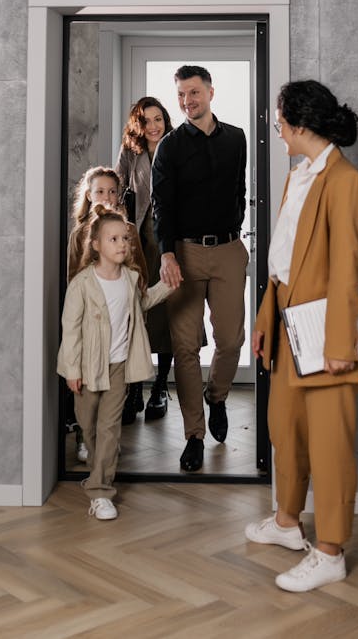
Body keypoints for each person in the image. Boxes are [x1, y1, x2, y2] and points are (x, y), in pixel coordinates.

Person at [245, 80, 358, 593]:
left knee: (330, 445)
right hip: (285, 324)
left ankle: (331, 551)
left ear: (299, 125)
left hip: (325, 333)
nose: (276, 129)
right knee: (286, 429)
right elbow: (281, 258)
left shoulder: (348, 183)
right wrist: (262, 318)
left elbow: (348, 268)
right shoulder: (298, 176)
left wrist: (341, 345)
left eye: (280, 121)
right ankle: (286, 523)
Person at [152, 64, 248, 473]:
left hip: (228, 249)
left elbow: (241, 189)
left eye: (193, 92)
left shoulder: (238, 139)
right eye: (180, 95)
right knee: (186, 346)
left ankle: (218, 395)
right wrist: (167, 255)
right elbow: (162, 207)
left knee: (231, 339)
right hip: (185, 255)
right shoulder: (169, 147)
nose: (187, 101)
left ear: (210, 92)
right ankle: (194, 434)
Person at [57, 206, 172, 520]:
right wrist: (73, 370)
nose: (122, 244)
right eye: (113, 239)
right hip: (87, 369)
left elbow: (143, 302)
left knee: (109, 429)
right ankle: (101, 465)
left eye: (125, 239)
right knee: (89, 426)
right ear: (96, 244)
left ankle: (100, 491)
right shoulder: (82, 284)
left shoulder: (131, 279)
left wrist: (167, 286)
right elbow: (71, 329)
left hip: (119, 366)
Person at [67, 166, 148, 457]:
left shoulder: (130, 233)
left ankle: (106, 447)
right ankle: (83, 438)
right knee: (89, 393)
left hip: (121, 324)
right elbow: (73, 279)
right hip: (92, 327)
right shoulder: (80, 235)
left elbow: (142, 278)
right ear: (89, 196)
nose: (107, 196)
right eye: (100, 191)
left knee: (114, 395)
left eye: (113, 191)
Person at [115, 96, 175, 422]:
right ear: (138, 124)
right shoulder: (130, 152)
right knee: (136, 313)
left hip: (167, 241)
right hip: (138, 241)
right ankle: (135, 389)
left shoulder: (177, 146)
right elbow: (118, 186)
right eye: (147, 120)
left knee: (165, 313)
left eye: (158, 119)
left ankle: (161, 387)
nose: (153, 126)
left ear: (165, 120)